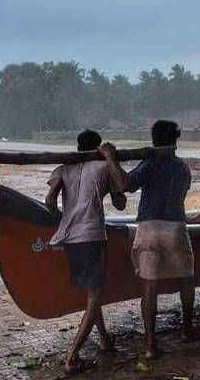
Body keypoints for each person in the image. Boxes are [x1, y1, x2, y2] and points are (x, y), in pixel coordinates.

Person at [99, 120, 194, 360]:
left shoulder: (150, 163)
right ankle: (187, 330)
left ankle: (151, 346)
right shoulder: (182, 168)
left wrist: (110, 158)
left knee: (149, 288)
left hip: (150, 227)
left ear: (154, 140)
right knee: (186, 281)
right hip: (175, 226)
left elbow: (124, 184)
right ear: (175, 140)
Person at [44, 129, 125, 376]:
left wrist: (64, 218)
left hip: (68, 238)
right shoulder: (102, 167)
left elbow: (49, 201)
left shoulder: (63, 169)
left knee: (92, 293)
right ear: (97, 147)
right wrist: (111, 160)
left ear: (78, 146)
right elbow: (120, 201)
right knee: (94, 296)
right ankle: (72, 358)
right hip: (91, 236)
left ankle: (104, 339)